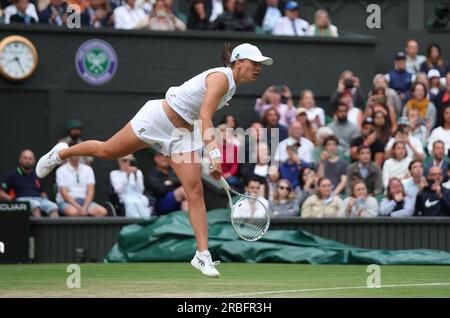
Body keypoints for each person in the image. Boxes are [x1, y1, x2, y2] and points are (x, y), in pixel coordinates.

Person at [35, 42, 273, 278]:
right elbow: (204, 115)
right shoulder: (221, 78)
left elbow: (199, 118)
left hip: (182, 136)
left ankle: (202, 254)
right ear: (239, 62)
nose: (258, 68)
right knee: (107, 151)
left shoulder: (230, 87)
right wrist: (215, 154)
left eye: (260, 64)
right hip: (158, 119)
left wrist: (209, 154)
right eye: (255, 63)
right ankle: (60, 153)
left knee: (195, 192)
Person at [0, 149, 58, 218]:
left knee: (53, 206)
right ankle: (39, 228)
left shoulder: (37, 175)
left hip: (38, 199)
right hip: (22, 200)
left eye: (30, 158)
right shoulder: (12, 175)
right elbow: (1, 192)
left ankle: (52, 229)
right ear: (20, 159)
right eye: (25, 158)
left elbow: (42, 192)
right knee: (35, 205)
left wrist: (46, 199)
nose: (27, 161)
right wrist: (13, 201)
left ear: (34, 161)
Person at [110, 154, 152, 219]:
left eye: (130, 160)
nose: (127, 162)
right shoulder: (114, 173)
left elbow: (140, 190)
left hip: (138, 198)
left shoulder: (138, 172)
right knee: (131, 203)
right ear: (119, 161)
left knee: (141, 202)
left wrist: (135, 176)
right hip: (123, 198)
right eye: (124, 160)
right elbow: (119, 190)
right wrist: (127, 175)